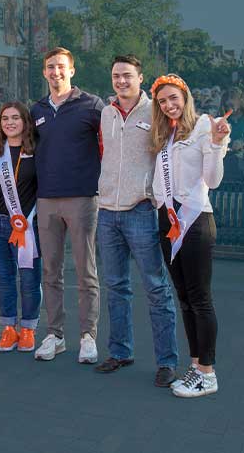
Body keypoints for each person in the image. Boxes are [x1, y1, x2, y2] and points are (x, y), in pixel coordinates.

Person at [93, 56, 179, 387]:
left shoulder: (155, 112)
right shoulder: (106, 113)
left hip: (141, 211)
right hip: (108, 213)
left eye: (127, 75)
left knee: (156, 288)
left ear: (140, 78)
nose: (121, 81)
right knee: (115, 287)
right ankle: (119, 352)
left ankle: (167, 361)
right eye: (116, 76)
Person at [150, 73, 230, 398]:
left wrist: (215, 144)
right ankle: (196, 366)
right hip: (168, 221)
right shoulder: (165, 135)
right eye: (163, 101)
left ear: (186, 96)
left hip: (194, 222)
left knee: (200, 298)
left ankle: (208, 373)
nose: (169, 105)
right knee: (184, 298)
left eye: (174, 98)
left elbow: (212, 180)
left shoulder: (203, 126)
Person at [30, 47, 104, 363]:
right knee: (50, 271)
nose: (55, 72)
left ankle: (88, 337)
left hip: (82, 199)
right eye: (50, 67)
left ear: (72, 70)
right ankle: (54, 335)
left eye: (61, 66)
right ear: (44, 72)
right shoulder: (36, 110)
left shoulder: (92, 105)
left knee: (86, 271)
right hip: (46, 200)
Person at [0, 102, 42, 353]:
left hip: (28, 224)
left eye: (15, 118)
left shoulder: (37, 150)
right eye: (5, 118)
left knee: (29, 278)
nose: (10, 122)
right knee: (5, 279)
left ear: (25, 122)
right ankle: (9, 329)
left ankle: (28, 329)